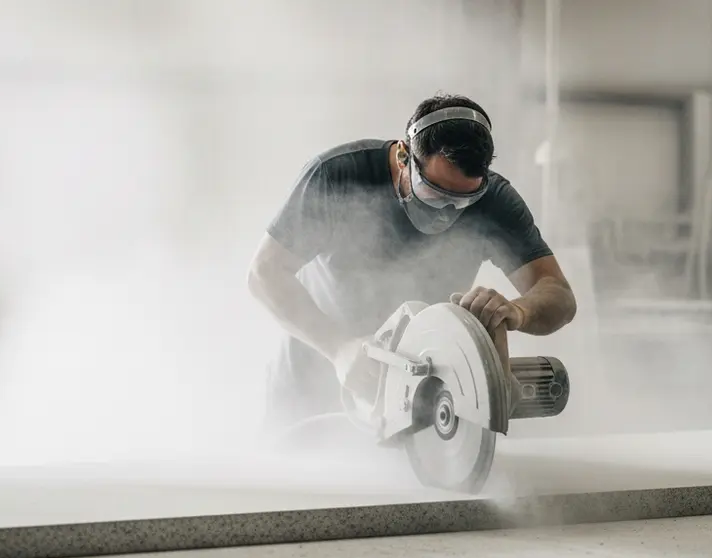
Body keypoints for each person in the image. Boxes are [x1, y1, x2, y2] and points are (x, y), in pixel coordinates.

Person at [247, 94, 577, 432]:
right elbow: (264, 273)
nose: (447, 212)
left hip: (417, 395)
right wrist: (338, 348)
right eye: (434, 193)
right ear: (404, 155)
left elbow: (559, 296)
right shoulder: (337, 176)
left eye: (463, 201)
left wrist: (517, 311)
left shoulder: (495, 201)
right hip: (315, 382)